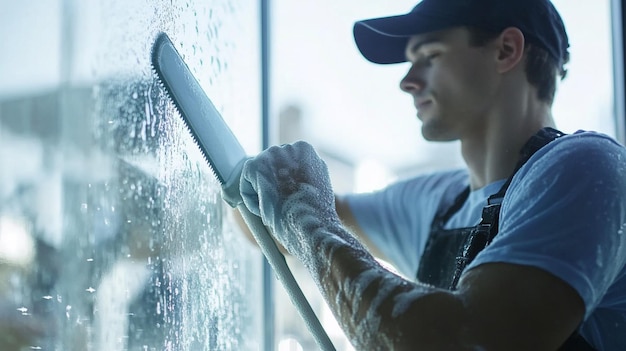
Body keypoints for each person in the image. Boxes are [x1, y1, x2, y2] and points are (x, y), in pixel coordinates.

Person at [237, 0, 626, 349]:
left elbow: (468, 341)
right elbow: (275, 221)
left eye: (430, 55)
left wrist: (305, 214)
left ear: (506, 50)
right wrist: (256, 187)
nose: (407, 81)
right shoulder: (437, 201)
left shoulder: (585, 167)